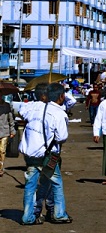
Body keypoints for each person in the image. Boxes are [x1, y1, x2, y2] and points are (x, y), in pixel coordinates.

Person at [19, 83, 72, 225]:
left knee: (30, 185)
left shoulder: (34, 108)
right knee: (56, 183)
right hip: (48, 156)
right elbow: (62, 137)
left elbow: (21, 111)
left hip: (30, 154)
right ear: (61, 97)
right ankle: (59, 214)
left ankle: (28, 216)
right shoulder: (59, 113)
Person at [0, 95, 16, 177]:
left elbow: (11, 119)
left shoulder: (6, 105)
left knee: (2, 150)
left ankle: (0, 168)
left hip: (4, 131)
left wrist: (12, 130)